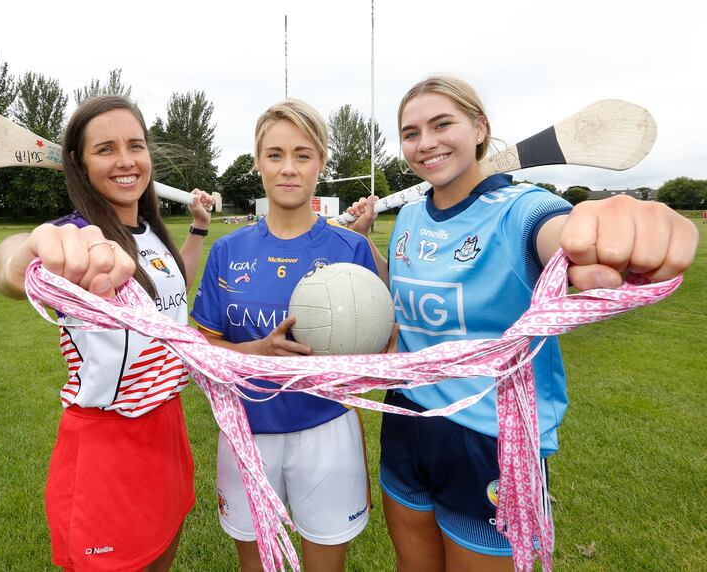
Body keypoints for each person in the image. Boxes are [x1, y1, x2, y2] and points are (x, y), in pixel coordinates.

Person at [346, 75, 698, 572]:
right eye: (411, 132)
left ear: (480, 128)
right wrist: (364, 244)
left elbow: (558, 233)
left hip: (490, 435)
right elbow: (399, 297)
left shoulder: (521, 209)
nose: (425, 142)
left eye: (442, 124)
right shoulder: (409, 219)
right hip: (408, 416)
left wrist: (597, 227)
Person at [0, 95, 213, 572]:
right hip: (107, 443)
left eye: (135, 145)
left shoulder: (151, 230)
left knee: (160, 559)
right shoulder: (76, 236)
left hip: (167, 426)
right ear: (79, 162)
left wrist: (197, 230)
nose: (126, 160)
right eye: (105, 149)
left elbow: (172, 293)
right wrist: (24, 254)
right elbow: (12, 266)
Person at [190, 99, 378, 572]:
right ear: (258, 162)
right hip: (246, 432)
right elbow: (202, 351)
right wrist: (256, 353)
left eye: (303, 154)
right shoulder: (228, 250)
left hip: (327, 429)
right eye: (275, 155)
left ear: (321, 162)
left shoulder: (351, 248)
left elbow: (377, 348)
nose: (288, 168)